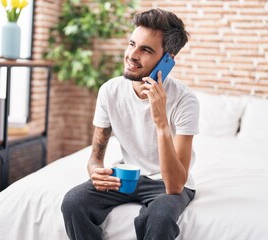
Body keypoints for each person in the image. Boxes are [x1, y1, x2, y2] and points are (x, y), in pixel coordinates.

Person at [61, 8, 199, 240]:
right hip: (127, 176)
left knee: (160, 217)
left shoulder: (185, 100)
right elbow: (96, 157)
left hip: (167, 182)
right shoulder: (110, 91)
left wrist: (160, 121)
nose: (132, 55)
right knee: (74, 203)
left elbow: (175, 185)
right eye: (131, 44)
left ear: (168, 60)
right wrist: (95, 172)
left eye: (145, 50)